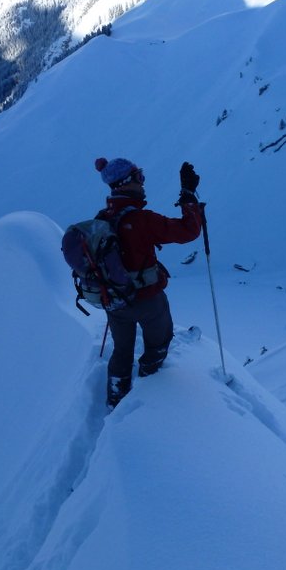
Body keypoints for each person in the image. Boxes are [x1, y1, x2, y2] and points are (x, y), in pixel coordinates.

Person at [94, 157, 202, 409]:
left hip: (115, 301)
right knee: (158, 345)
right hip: (148, 300)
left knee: (122, 351)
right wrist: (189, 197)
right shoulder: (142, 219)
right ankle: (150, 393)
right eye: (139, 177)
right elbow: (189, 231)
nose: (143, 183)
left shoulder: (102, 218)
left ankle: (116, 398)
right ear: (125, 182)